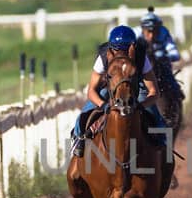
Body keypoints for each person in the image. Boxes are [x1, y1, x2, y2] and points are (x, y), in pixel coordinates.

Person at [71, 25, 168, 159]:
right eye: (117, 50)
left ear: (133, 48)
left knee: (157, 119)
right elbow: (91, 91)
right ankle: (78, 140)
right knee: (84, 114)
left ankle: (164, 148)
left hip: (136, 86)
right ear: (110, 49)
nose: (121, 55)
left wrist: (141, 105)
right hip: (110, 87)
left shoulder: (141, 57)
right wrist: (103, 105)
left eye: (125, 50)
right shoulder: (103, 57)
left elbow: (153, 91)